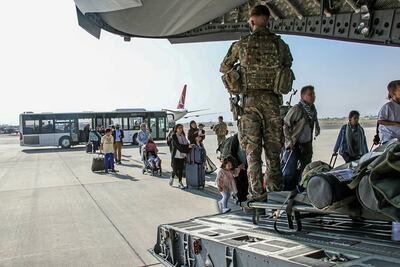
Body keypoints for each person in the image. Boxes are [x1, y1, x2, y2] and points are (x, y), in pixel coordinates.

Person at [220, 4, 293, 200]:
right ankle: (276, 196)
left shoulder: (241, 44)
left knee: (252, 154)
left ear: (251, 21)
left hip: (250, 103)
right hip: (272, 102)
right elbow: (287, 65)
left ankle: (256, 196)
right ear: (268, 20)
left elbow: (223, 67)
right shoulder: (280, 45)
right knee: (273, 154)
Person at [283, 85, 320, 191]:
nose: (313, 96)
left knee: (305, 171)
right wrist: (289, 141)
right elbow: (285, 124)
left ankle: (300, 191)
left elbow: (314, 120)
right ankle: (286, 192)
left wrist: (317, 128)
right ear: (303, 96)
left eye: (313, 94)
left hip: (307, 144)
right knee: (290, 171)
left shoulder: (313, 109)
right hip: (294, 145)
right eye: (310, 94)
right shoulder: (297, 109)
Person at [169, 124, 194, 189]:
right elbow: (178, 145)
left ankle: (180, 182)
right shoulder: (174, 136)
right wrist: (187, 147)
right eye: (179, 128)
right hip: (176, 155)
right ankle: (172, 177)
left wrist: (190, 146)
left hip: (182, 155)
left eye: (181, 128)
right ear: (176, 129)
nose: (180, 129)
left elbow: (186, 143)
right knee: (175, 169)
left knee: (180, 169)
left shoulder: (183, 135)